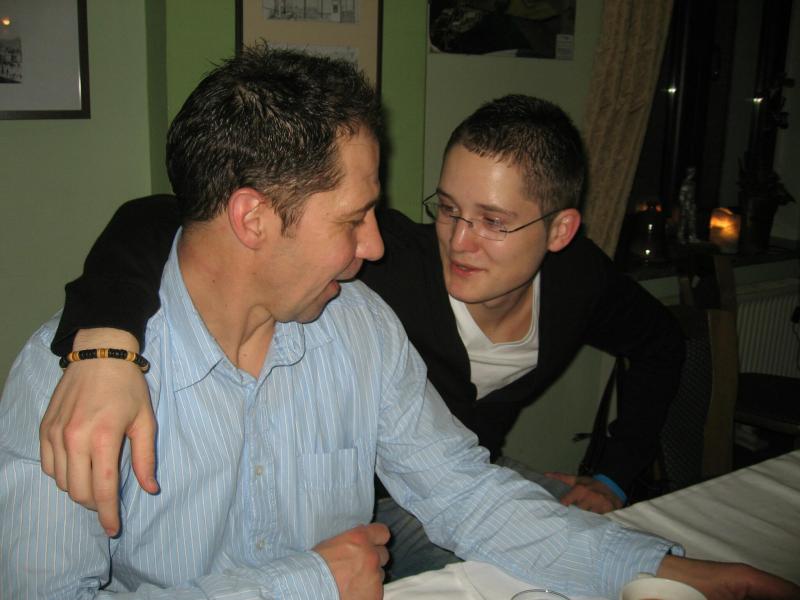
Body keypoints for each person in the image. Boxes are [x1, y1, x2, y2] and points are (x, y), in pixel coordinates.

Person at [2, 44, 797, 600]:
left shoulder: (359, 328)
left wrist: (668, 569)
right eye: (353, 219)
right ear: (252, 219)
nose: (377, 245)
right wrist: (309, 584)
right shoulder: (69, 383)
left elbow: (463, 493)